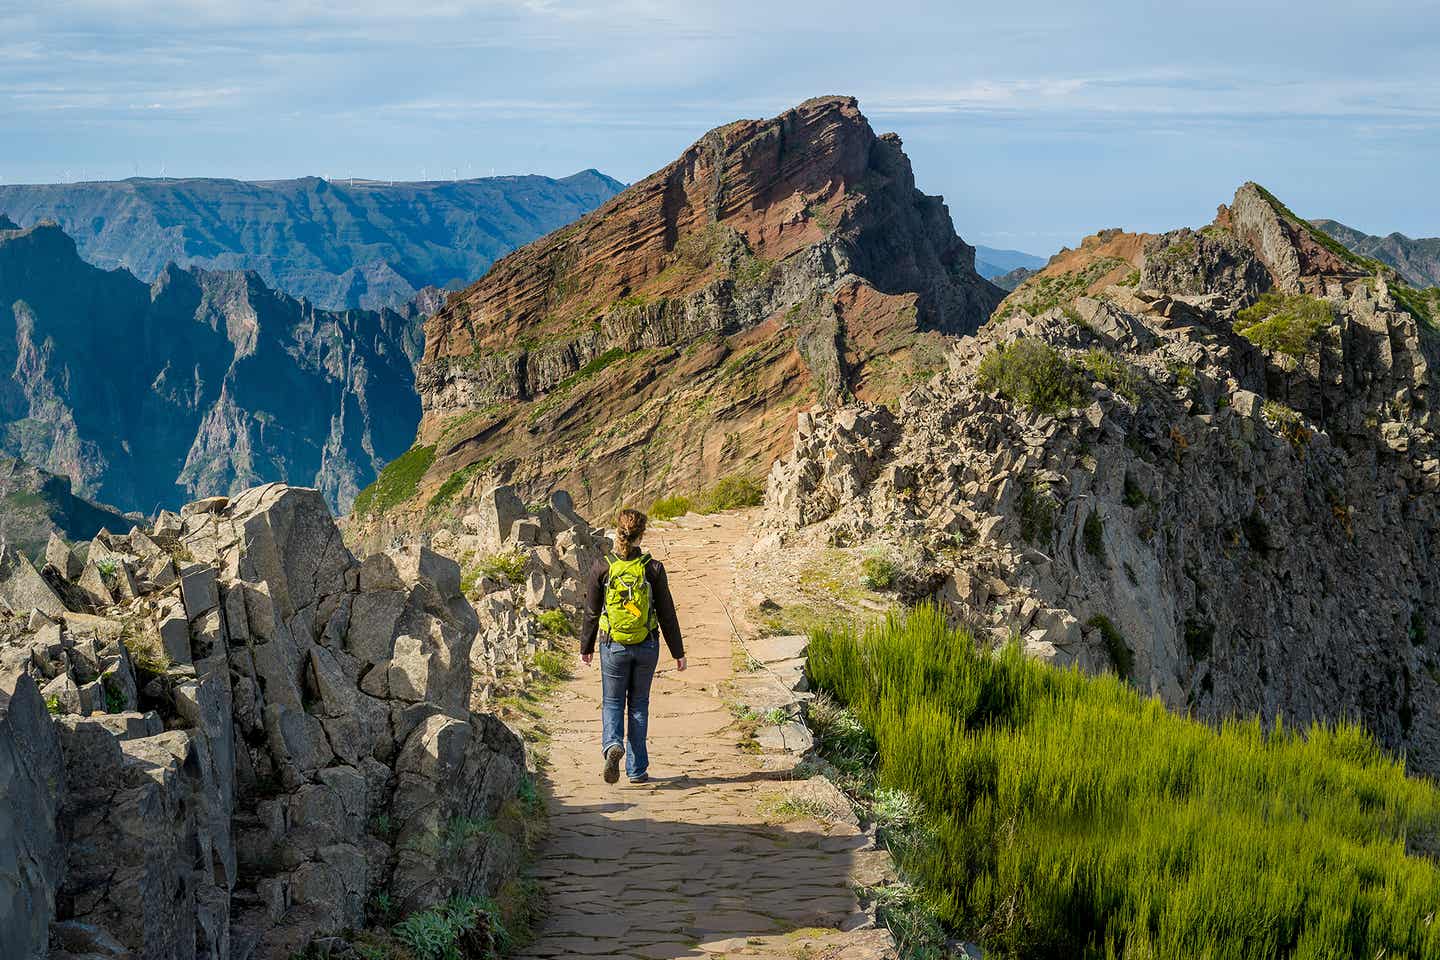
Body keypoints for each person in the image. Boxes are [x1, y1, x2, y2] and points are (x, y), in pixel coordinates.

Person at [580, 508, 685, 784]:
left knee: (613, 701)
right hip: (647, 645)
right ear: (642, 535)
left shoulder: (602, 567)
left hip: (612, 645)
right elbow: (667, 613)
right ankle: (637, 770)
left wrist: (586, 647)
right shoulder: (653, 568)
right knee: (639, 705)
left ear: (618, 532)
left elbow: (591, 612)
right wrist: (678, 653)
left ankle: (613, 745)